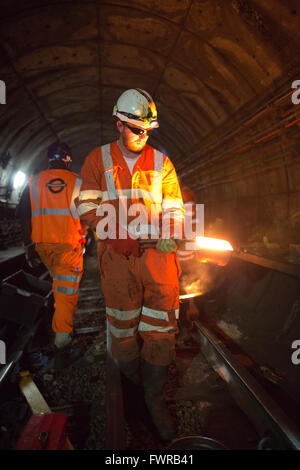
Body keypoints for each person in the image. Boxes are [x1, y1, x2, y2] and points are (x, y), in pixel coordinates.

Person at [76, 88, 184, 441]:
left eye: (147, 130)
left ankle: (153, 397)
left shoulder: (161, 162)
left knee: (161, 327)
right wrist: (113, 233)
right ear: (119, 124)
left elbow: (174, 208)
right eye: (137, 129)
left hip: (157, 260)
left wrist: (172, 233)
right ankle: (133, 389)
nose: (143, 135)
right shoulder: (97, 159)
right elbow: (86, 205)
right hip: (118, 258)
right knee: (122, 328)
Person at [16, 142, 85, 368]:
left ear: (48, 159)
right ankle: (62, 345)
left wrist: (28, 246)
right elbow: (90, 214)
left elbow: (24, 215)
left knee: (58, 287)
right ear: (68, 159)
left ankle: (55, 328)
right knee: (66, 295)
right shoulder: (77, 182)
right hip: (67, 248)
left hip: (43, 248)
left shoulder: (34, 181)